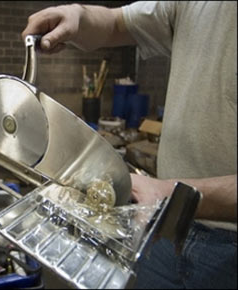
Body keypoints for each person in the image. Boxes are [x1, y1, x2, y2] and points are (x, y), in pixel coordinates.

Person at [22, 1, 237, 289]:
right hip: (163, 229)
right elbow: (114, 24)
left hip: (227, 251)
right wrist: (78, 16)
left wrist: (170, 194)